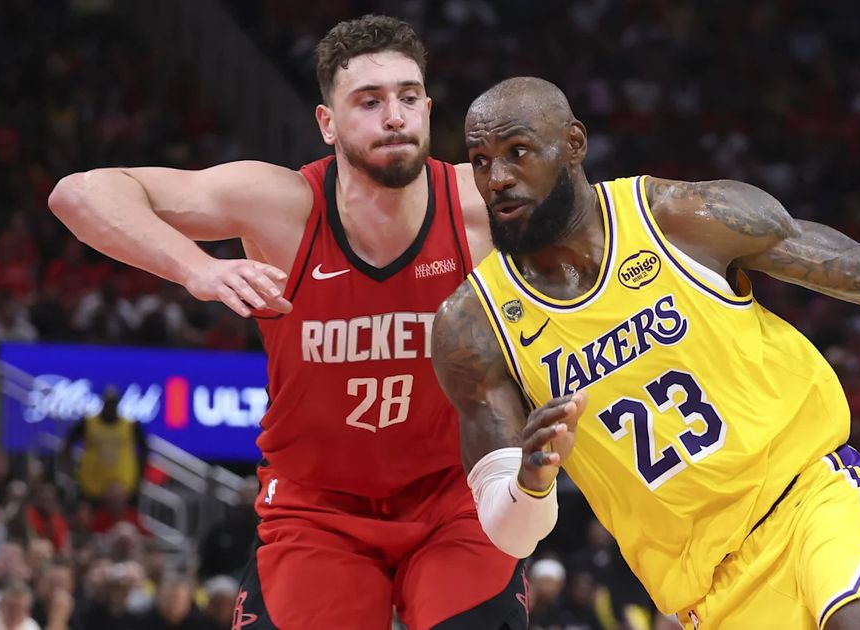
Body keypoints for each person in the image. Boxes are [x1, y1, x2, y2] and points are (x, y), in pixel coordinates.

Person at [431, 77, 860, 630]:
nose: (497, 178)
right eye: (480, 161)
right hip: (707, 593)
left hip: (810, 502)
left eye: (517, 153)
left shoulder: (681, 218)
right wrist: (533, 479)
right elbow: (509, 530)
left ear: (574, 144)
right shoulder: (471, 325)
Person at [47, 15, 524, 630]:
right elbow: (79, 193)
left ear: (428, 109)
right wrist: (197, 268)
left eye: (408, 98)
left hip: (454, 494)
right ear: (327, 123)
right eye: (369, 102)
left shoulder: (479, 203)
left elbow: (608, 227)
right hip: (316, 508)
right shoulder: (280, 206)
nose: (394, 117)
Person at [62, 385, 148, 504]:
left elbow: (144, 449)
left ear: (117, 404)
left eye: (112, 404)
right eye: (108, 404)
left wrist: (139, 475)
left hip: (123, 487)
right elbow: (68, 442)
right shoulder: (88, 422)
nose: (110, 408)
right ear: (103, 403)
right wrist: (71, 468)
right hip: (92, 484)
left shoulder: (130, 425)